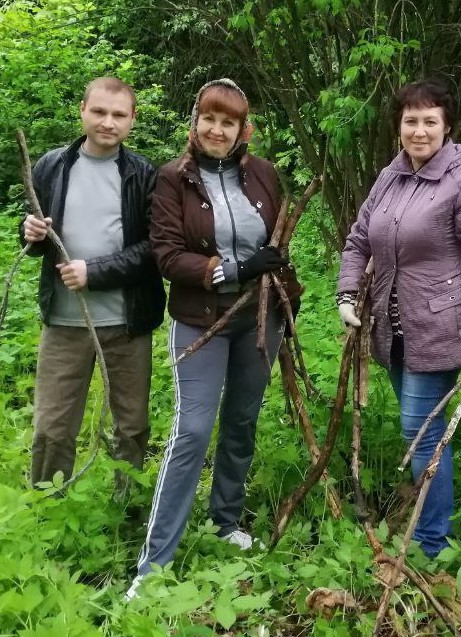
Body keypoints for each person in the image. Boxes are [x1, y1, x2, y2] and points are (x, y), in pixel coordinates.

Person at [128, 78, 293, 598]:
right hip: (201, 318)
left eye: (229, 122)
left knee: (241, 421)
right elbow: (168, 256)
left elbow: (278, 241)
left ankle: (225, 522)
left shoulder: (265, 175)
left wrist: (282, 288)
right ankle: (153, 566)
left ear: (244, 129)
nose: (217, 130)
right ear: (194, 120)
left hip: (257, 319)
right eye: (210, 118)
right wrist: (235, 267)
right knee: (193, 431)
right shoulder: (174, 179)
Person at [337, 79, 461, 557]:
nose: (419, 130)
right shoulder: (391, 176)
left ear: (447, 126)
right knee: (422, 430)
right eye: (410, 121)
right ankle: (432, 531)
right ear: (398, 127)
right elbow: (358, 239)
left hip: (439, 326)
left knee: (421, 431)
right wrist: (347, 292)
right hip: (392, 330)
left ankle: (433, 545)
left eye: (430, 121)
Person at [21, 76, 165, 492]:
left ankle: (128, 501)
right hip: (64, 322)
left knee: (132, 424)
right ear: (82, 110)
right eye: (99, 111)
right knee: (53, 425)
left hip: (126, 322)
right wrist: (29, 232)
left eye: (119, 115)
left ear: (132, 119)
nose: (108, 122)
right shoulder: (52, 166)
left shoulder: (142, 174)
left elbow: (154, 248)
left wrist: (95, 272)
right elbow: (35, 235)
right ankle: (49, 502)